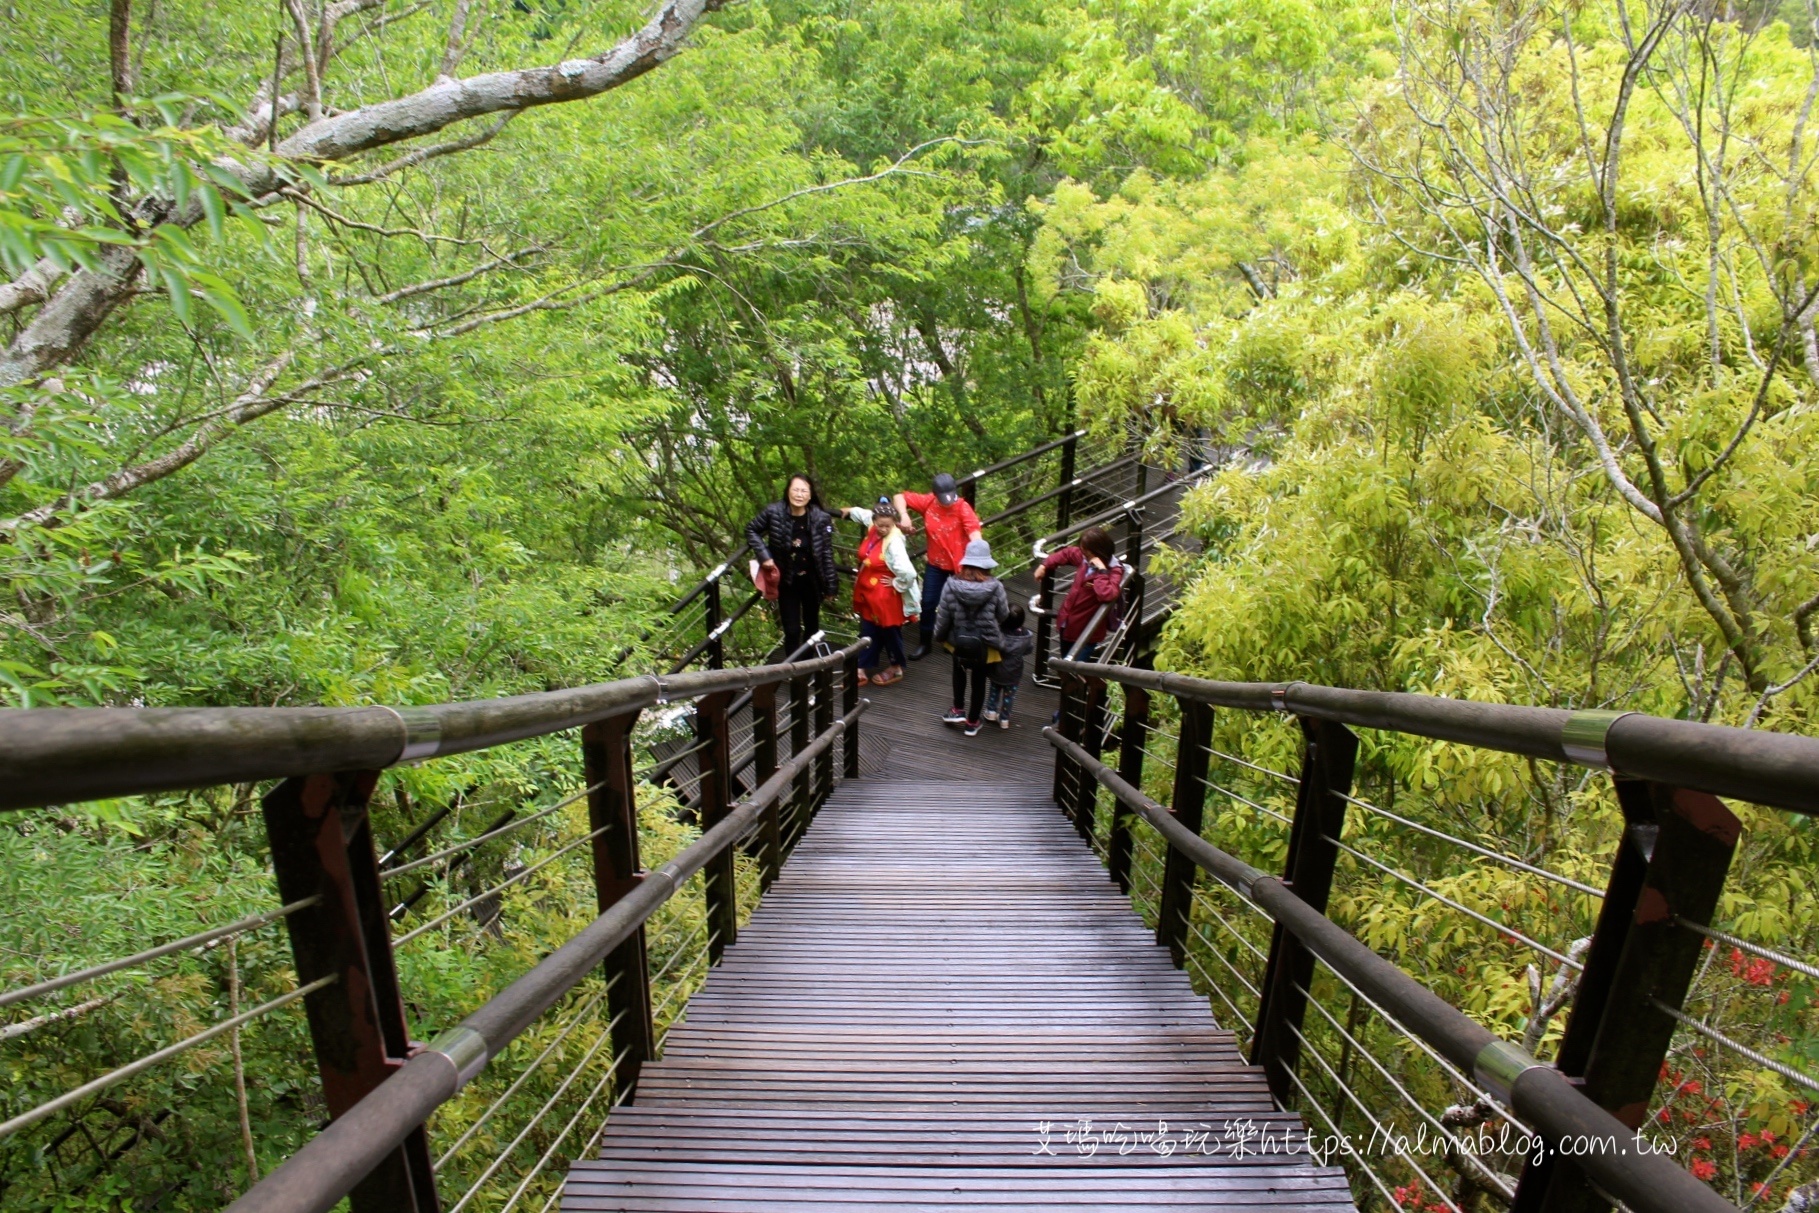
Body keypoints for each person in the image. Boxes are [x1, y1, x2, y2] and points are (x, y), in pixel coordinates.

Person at [746, 474, 838, 657]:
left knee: (812, 627)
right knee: (792, 630)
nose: (799, 494)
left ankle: (807, 669)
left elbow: (826, 552)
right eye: (795, 489)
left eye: (804, 490)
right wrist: (764, 555)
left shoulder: (820, 517)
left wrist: (831, 585)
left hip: (812, 580)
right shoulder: (774, 512)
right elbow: (751, 529)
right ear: (788, 491)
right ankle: (792, 669)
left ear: (810, 495)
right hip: (787, 579)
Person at [894, 472, 982, 661]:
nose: (947, 502)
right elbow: (899, 497)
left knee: (960, 604)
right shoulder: (928, 502)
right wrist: (904, 515)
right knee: (928, 603)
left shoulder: (963, 508)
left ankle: (955, 641)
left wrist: (978, 560)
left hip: (960, 566)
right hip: (935, 564)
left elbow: (975, 533)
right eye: (943, 499)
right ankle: (925, 643)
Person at [934, 538, 1009, 737]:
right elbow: (1003, 615)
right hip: (985, 643)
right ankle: (973, 722)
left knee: (958, 671)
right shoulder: (996, 587)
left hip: (958, 639)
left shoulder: (951, 585)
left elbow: (943, 617)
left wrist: (940, 637)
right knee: (979, 680)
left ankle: (958, 709)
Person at [841, 498, 919, 686]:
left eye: (887, 526)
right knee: (868, 629)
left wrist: (896, 583)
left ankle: (896, 666)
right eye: (880, 525)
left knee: (890, 631)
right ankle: (861, 667)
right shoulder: (872, 524)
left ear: (893, 523)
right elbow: (864, 514)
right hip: (869, 592)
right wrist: (850, 510)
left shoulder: (894, 542)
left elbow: (909, 573)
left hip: (886, 596)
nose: (883, 529)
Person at [1036, 525, 1125, 663]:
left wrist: (1102, 571)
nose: (1083, 554)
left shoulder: (1114, 570)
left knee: (1074, 670)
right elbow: (1067, 553)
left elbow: (1107, 594)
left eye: (1086, 552)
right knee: (1066, 666)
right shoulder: (1085, 559)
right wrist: (1045, 565)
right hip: (1067, 625)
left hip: (1087, 633)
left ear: (1098, 551)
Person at [984, 605, 1033, 730]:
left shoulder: (999, 633)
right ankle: (1004, 718)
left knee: (994, 690)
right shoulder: (1025, 635)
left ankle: (991, 711)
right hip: (1014, 671)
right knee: (1009, 696)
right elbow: (1028, 650)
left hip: (997, 667)